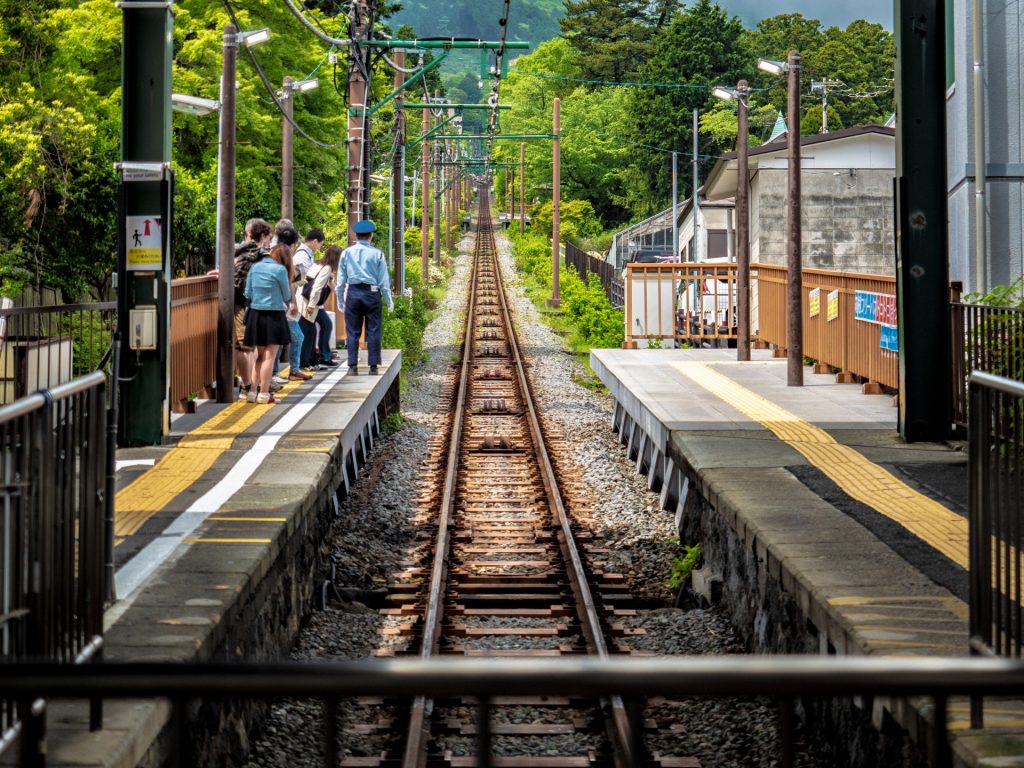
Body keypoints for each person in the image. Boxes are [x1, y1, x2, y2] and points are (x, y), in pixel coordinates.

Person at [337, 220, 392, 376]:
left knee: (352, 330)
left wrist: (341, 299)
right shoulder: (378, 254)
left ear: (356, 235)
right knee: (373, 329)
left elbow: (341, 280)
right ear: (371, 236)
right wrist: (389, 300)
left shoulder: (346, 253)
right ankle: (373, 365)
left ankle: (352, 365)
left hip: (353, 293)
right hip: (372, 293)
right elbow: (384, 280)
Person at [243, 244, 292, 404]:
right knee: (269, 357)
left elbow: (247, 293)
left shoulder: (255, 267)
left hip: (256, 314)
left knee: (258, 356)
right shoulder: (280, 270)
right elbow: (286, 295)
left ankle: (252, 392)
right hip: (274, 315)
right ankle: (264, 394)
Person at [233, 218, 272, 400]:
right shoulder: (261, 254)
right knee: (246, 346)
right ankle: (248, 386)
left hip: (234, 300)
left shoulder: (235, 251)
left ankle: (248, 385)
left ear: (248, 233)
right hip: (251, 301)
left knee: (244, 346)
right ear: (263, 236)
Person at [298, 245, 341, 371]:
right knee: (309, 332)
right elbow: (316, 287)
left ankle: (312, 361)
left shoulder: (318, 264)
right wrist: (311, 305)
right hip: (308, 303)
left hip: (305, 299)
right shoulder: (326, 268)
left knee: (312, 331)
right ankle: (305, 363)